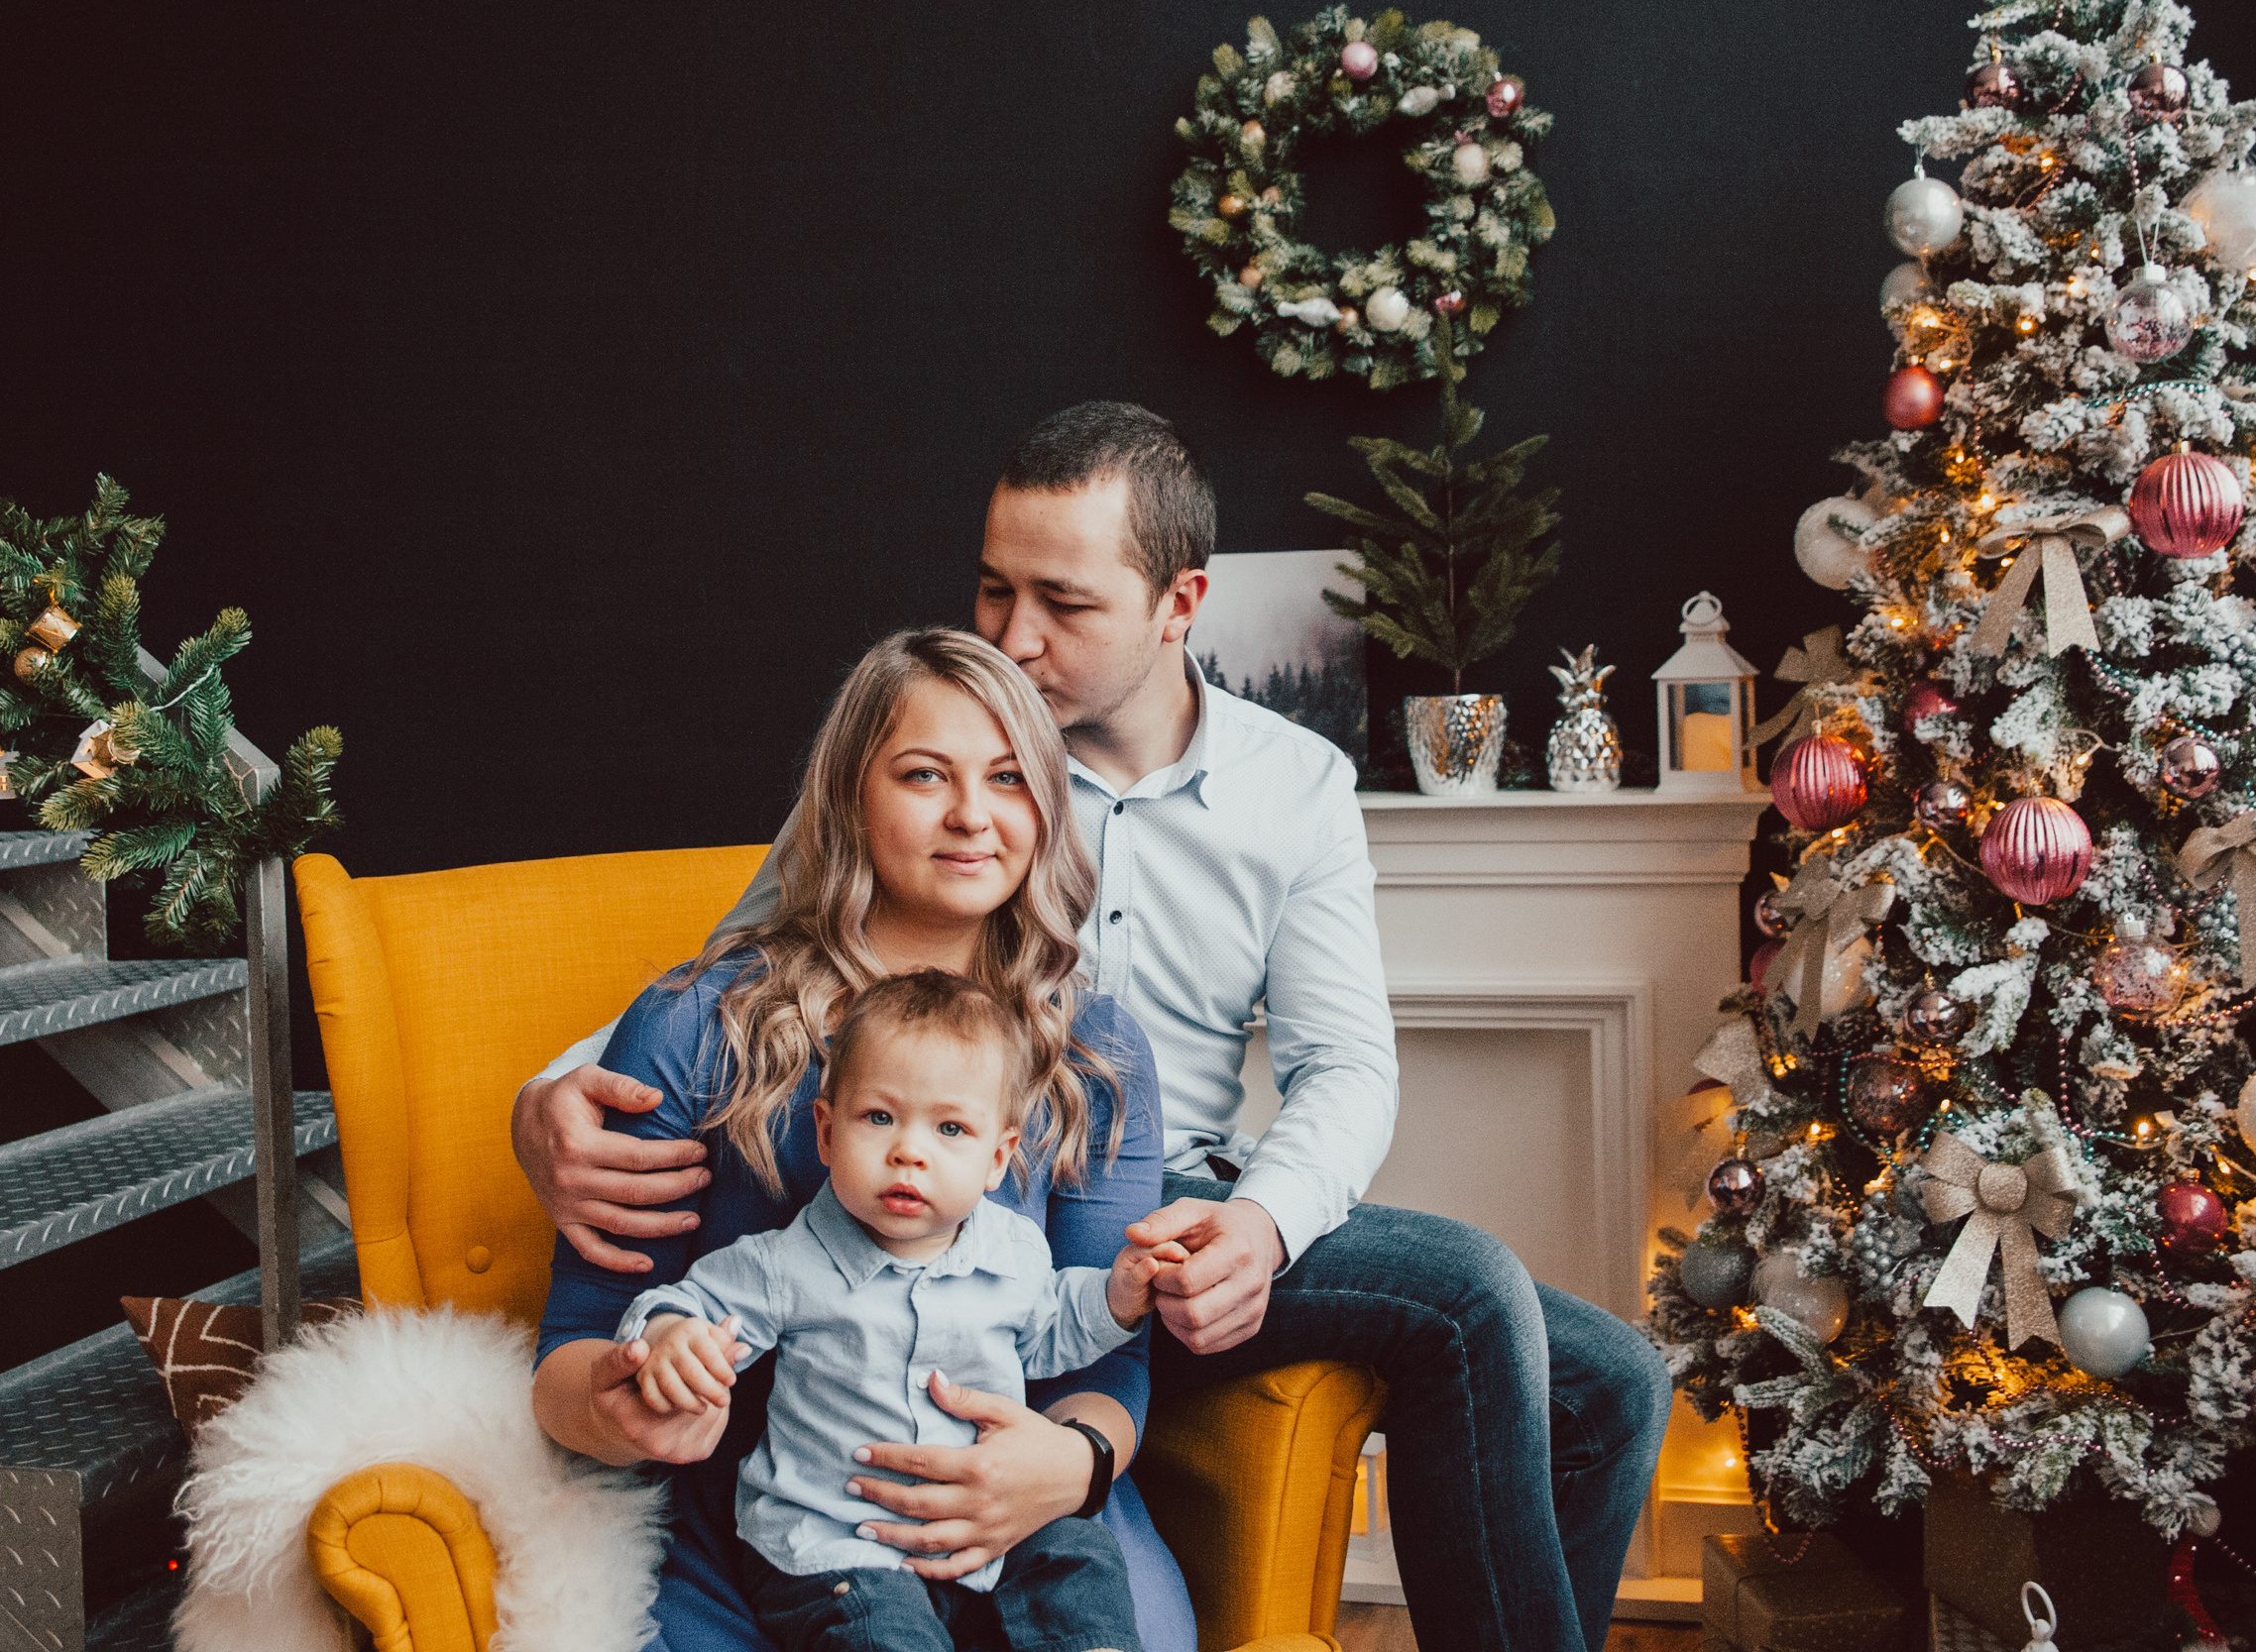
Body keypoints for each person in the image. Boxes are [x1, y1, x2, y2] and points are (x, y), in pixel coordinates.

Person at [519, 403, 1674, 1652]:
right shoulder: (944, 732)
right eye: (993, 589)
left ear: (1179, 604)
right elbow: (761, 968)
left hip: (1153, 1196)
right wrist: (552, 1088)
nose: (1013, 638)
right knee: (1466, 1291)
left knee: (1609, 1376)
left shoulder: (1285, 791)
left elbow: (1343, 1065)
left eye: (1062, 604)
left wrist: (1260, 1222)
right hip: (953, 1202)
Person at [530, 627, 1197, 1652]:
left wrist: (1071, 1466)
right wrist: (627, 1404)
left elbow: (1103, 1351)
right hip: (786, 1525)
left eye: (1010, 778)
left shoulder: (1095, 1050)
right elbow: (573, 1347)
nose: (973, 814)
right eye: (925, 774)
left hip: (1031, 1509)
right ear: (847, 796)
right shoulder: (699, 1024)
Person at [621, 968, 1181, 1652]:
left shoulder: (1014, 1252)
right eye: (879, 1118)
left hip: (989, 1530)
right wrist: (674, 1335)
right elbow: (687, 1303)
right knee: (879, 1627)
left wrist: (1115, 1299)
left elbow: (1049, 1330)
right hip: (838, 1540)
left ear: (997, 1157)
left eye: (950, 1128)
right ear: (826, 1133)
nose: (909, 1152)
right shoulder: (786, 1263)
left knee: (1079, 1559)